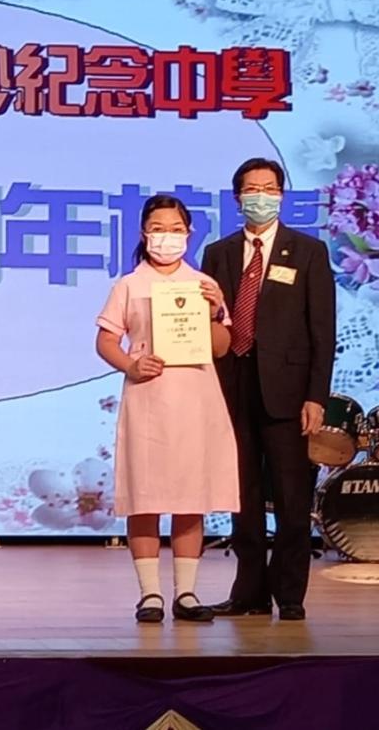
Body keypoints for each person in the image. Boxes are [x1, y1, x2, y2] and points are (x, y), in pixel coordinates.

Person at [200, 158, 335, 622]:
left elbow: (322, 331)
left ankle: (290, 594)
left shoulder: (308, 251)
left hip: (289, 391)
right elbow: (208, 323)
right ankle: (250, 594)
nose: (261, 195)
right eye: (252, 188)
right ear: (238, 197)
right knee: (244, 499)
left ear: (281, 195)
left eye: (270, 188)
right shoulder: (217, 253)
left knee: (293, 500)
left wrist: (316, 395)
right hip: (233, 384)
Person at [95, 194, 239, 624]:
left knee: (190, 495)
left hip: (196, 398)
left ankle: (187, 593)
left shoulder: (202, 283)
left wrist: (215, 309)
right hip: (149, 399)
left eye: (176, 229)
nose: (167, 237)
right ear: (144, 233)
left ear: (189, 233)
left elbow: (222, 347)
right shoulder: (129, 285)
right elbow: (105, 340)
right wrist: (130, 365)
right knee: (145, 496)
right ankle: (150, 594)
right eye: (158, 229)